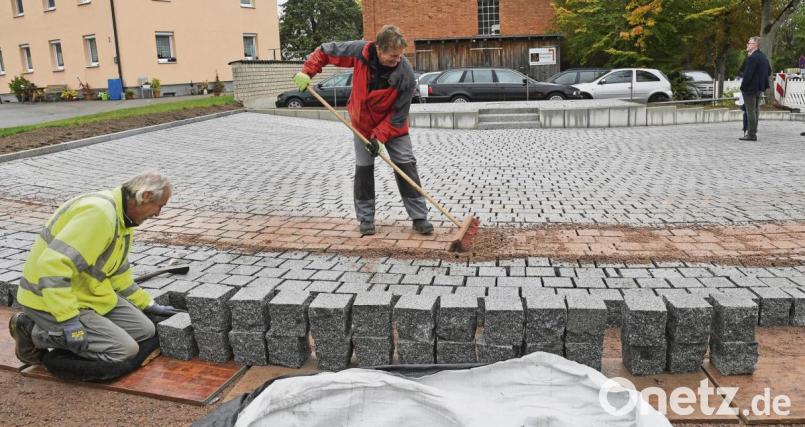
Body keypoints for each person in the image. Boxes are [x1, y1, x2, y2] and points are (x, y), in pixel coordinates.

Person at [8, 171, 181, 365]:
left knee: (145, 330)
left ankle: (93, 327)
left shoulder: (122, 220)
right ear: (145, 196)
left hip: (86, 295)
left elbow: (118, 272)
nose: (158, 214)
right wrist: (68, 321)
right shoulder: (99, 215)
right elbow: (52, 268)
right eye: (160, 206)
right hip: (49, 299)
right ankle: (31, 331)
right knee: (124, 350)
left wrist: (147, 304)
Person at [292, 25, 433, 236]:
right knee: (364, 170)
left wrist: (380, 137)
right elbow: (325, 51)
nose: (397, 60)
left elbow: (398, 115)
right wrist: (306, 71)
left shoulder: (405, 73)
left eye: (400, 56)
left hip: (393, 126)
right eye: (393, 56)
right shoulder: (360, 52)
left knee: (406, 166)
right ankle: (366, 219)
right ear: (379, 49)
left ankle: (419, 218)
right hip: (362, 125)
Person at [738, 36, 772, 141]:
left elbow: (747, 75)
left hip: (750, 88)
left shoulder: (752, 58)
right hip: (759, 88)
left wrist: (742, 87)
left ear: (755, 45)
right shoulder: (763, 57)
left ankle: (751, 134)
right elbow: (769, 71)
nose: (747, 44)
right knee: (755, 110)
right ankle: (753, 131)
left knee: (750, 111)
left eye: (749, 43)